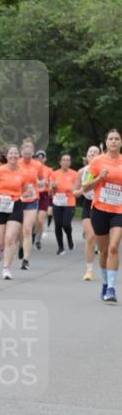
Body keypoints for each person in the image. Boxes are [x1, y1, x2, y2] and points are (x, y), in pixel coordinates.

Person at [82, 128, 122, 303]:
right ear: (106, 142)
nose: (113, 141)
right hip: (99, 210)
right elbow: (85, 187)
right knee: (104, 251)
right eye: (110, 139)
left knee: (114, 247)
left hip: (119, 211)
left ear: (121, 143)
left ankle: (112, 288)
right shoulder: (97, 162)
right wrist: (99, 179)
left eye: (117, 139)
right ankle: (105, 283)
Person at [0, 145, 26, 280]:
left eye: (16, 154)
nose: (13, 156)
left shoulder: (22, 173)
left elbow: (24, 189)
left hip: (15, 206)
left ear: (19, 157)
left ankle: (6, 268)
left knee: (11, 238)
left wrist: (22, 195)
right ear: (7, 157)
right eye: (11, 154)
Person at [17, 138, 48, 270]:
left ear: (33, 152)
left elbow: (42, 178)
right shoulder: (16, 163)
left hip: (32, 199)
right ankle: (20, 246)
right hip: (18, 199)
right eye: (25, 149)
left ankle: (26, 259)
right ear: (21, 151)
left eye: (30, 149)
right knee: (19, 229)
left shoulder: (37, 165)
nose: (27, 151)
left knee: (28, 228)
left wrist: (41, 183)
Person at [73, 145, 100, 281]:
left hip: (101, 205)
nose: (93, 154)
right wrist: (81, 191)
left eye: (96, 152)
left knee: (101, 238)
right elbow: (75, 192)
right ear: (87, 156)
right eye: (90, 152)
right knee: (90, 237)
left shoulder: (104, 171)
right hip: (88, 205)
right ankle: (89, 270)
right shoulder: (82, 171)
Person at [48, 152, 78, 254]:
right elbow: (50, 191)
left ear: (70, 162)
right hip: (57, 202)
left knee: (66, 224)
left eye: (68, 160)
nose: (66, 162)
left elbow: (78, 189)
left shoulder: (74, 174)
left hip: (69, 202)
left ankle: (69, 238)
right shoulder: (54, 174)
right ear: (60, 162)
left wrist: (72, 188)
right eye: (64, 160)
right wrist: (53, 186)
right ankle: (60, 247)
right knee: (58, 225)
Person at [34, 148, 52, 249]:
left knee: (40, 220)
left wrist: (48, 183)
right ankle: (33, 232)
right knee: (33, 220)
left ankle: (38, 239)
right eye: (38, 157)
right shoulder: (32, 168)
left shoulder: (49, 170)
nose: (40, 159)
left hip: (44, 195)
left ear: (45, 159)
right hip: (33, 195)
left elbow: (51, 184)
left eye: (42, 157)